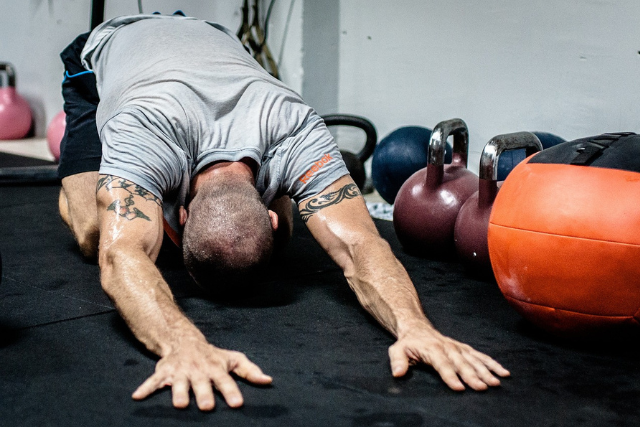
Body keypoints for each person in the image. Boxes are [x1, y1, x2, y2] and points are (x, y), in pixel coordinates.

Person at [57, 13, 510, 412]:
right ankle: (94, 188)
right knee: (97, 233)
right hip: (110, 49)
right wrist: (182, 344)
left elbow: (360, 245)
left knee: (148, 237)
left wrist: (417, 329)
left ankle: (166, 208)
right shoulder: (143, 127)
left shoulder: (295, 127)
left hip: (209, 38)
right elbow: (119, 257)